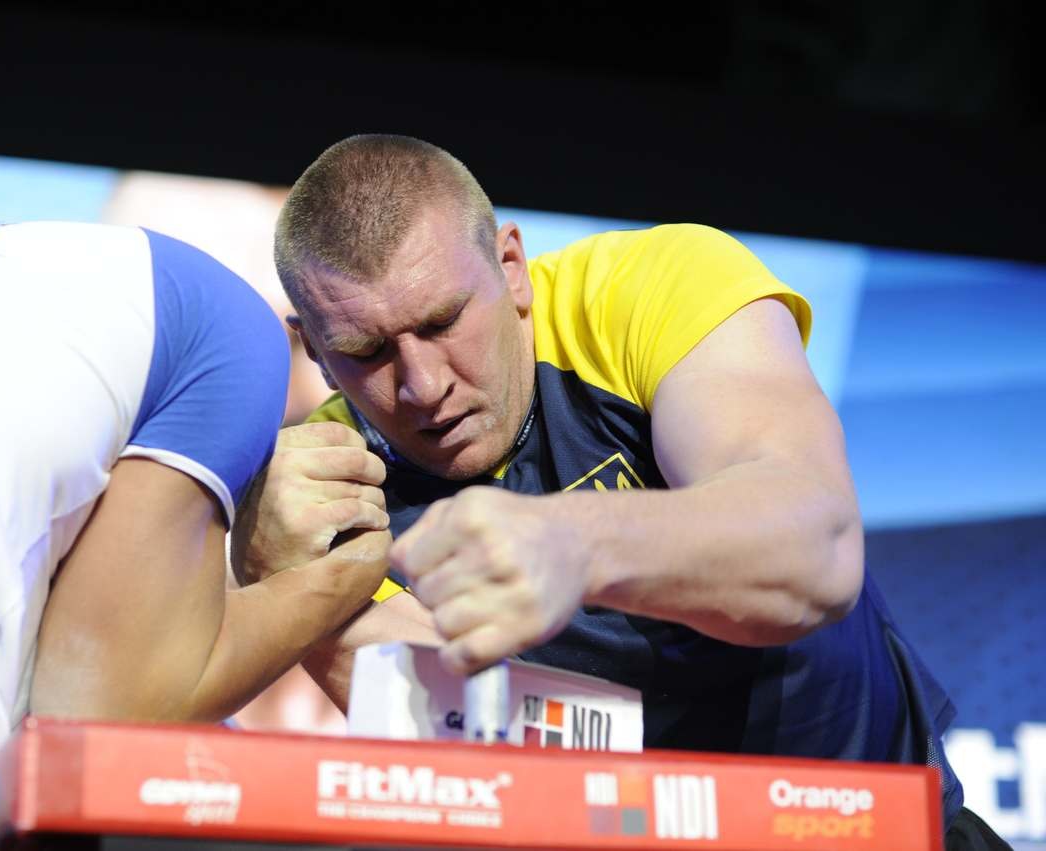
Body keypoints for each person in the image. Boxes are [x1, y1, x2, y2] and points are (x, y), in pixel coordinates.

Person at [232, 134, 1010, 850]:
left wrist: (575, 542)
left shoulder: (650, 289)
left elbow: (819, 553)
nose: (424, 385)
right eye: (366, 352)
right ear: (317, 354)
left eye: (442, 321)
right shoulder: (322, 497)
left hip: (879, 829)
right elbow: (493, 767)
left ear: (511, 269)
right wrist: (284, 588)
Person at [0, 219, 389, 849]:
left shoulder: (39, 311)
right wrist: (347, 573)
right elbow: (101, 722)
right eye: (367, 350)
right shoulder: (232, 328)